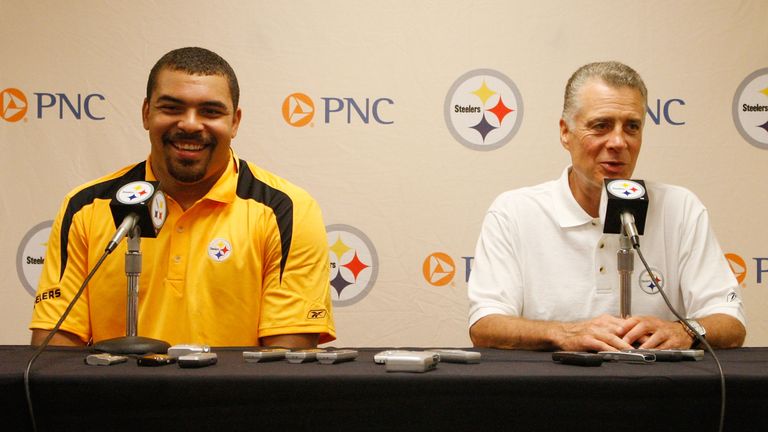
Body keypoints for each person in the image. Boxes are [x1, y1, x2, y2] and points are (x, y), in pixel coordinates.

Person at [30, 47, 335, 348]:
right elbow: (55, 350)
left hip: (234, 398)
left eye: (210, 111)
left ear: (235, 122)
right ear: (146, 113)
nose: (190, 124)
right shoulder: (86, 206)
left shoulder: (286, 209)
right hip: (118, 398)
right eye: (172, 108)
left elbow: (285, 361)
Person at [467, 61, 745, 352]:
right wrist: (565, 333)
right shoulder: (515, 211)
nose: (618, 142)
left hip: (655, 389)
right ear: (565, 132)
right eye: (601, 126)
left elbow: (731, 322)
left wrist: (685, 331)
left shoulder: (680, 208)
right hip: (551, 391)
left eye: (632, 127)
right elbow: (485, 325)